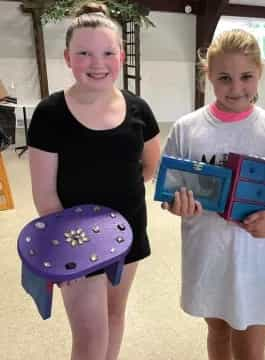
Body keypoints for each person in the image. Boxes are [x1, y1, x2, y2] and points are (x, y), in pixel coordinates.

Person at [161, 29, 265, 360]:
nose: (236, 88)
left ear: (260, 74)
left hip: (256, 258)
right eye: (224, 78)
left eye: (246, 77)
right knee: (217, 331)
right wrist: (177, 206)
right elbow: (169, 194)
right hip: (207, 253)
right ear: (208, 77)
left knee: (248, 347)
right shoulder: (187, 130)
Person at [27, 2, 161, 359]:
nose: (97, 63)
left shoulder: (139, 110)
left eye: (107, 52)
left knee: (114, 315)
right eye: (84, 53)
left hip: (127, 230)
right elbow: (44, 194)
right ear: (68, 58)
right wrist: (71, 247)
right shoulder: (49, 114)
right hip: (74, 240)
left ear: (121, 56)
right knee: (88, 335)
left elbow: (149, 168)